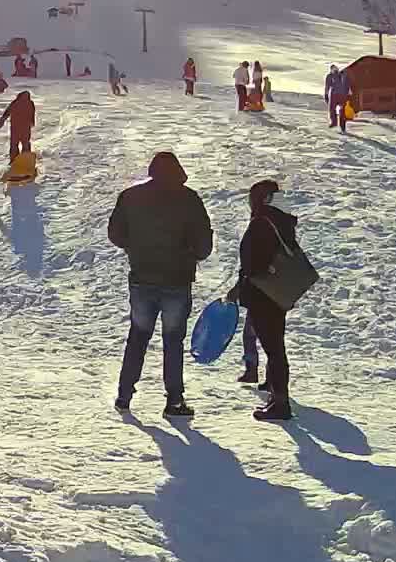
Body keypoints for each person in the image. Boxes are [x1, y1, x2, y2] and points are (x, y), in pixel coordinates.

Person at [107, 151, 212, 418]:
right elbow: (204, 246)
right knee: (173, 341)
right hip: (177, 280)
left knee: (138, 336)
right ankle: (174, 401)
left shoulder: (131, 197)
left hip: (142, 278)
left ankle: (124, 394)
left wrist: (135, 247)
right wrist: (188, 254)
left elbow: (115, 233)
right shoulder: (189, 199)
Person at [227, 179, 300, 421]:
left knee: (274, 349)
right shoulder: (281, 220)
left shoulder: (262, 222)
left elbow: (253, 263)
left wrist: (241, 285)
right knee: (275, 346)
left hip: (263, 295)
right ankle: (275, 392)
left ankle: (280, 403)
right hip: (277, 293)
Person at [0, 90, 36, 162]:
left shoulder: (30, 103)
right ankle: (15, 160)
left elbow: (32, 113)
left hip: (24, 128)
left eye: (27, 96)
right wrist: (2, 120)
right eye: (24, 96)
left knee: (24, 144)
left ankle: (25, 159)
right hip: (16, 128)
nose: (25, 98)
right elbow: (7, 112)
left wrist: (32, 121)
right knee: (15, 145)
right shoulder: (15, 103)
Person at [325, 65, 352, 132]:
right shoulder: (343, 75)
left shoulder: (330, 76)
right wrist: (348, 93)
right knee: (341, 110)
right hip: (342, 95)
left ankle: (335, 123)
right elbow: (348, 85)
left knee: (332, 109)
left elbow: (327, 86)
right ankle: (342, 126)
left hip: (335, 95)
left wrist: (326, 94)